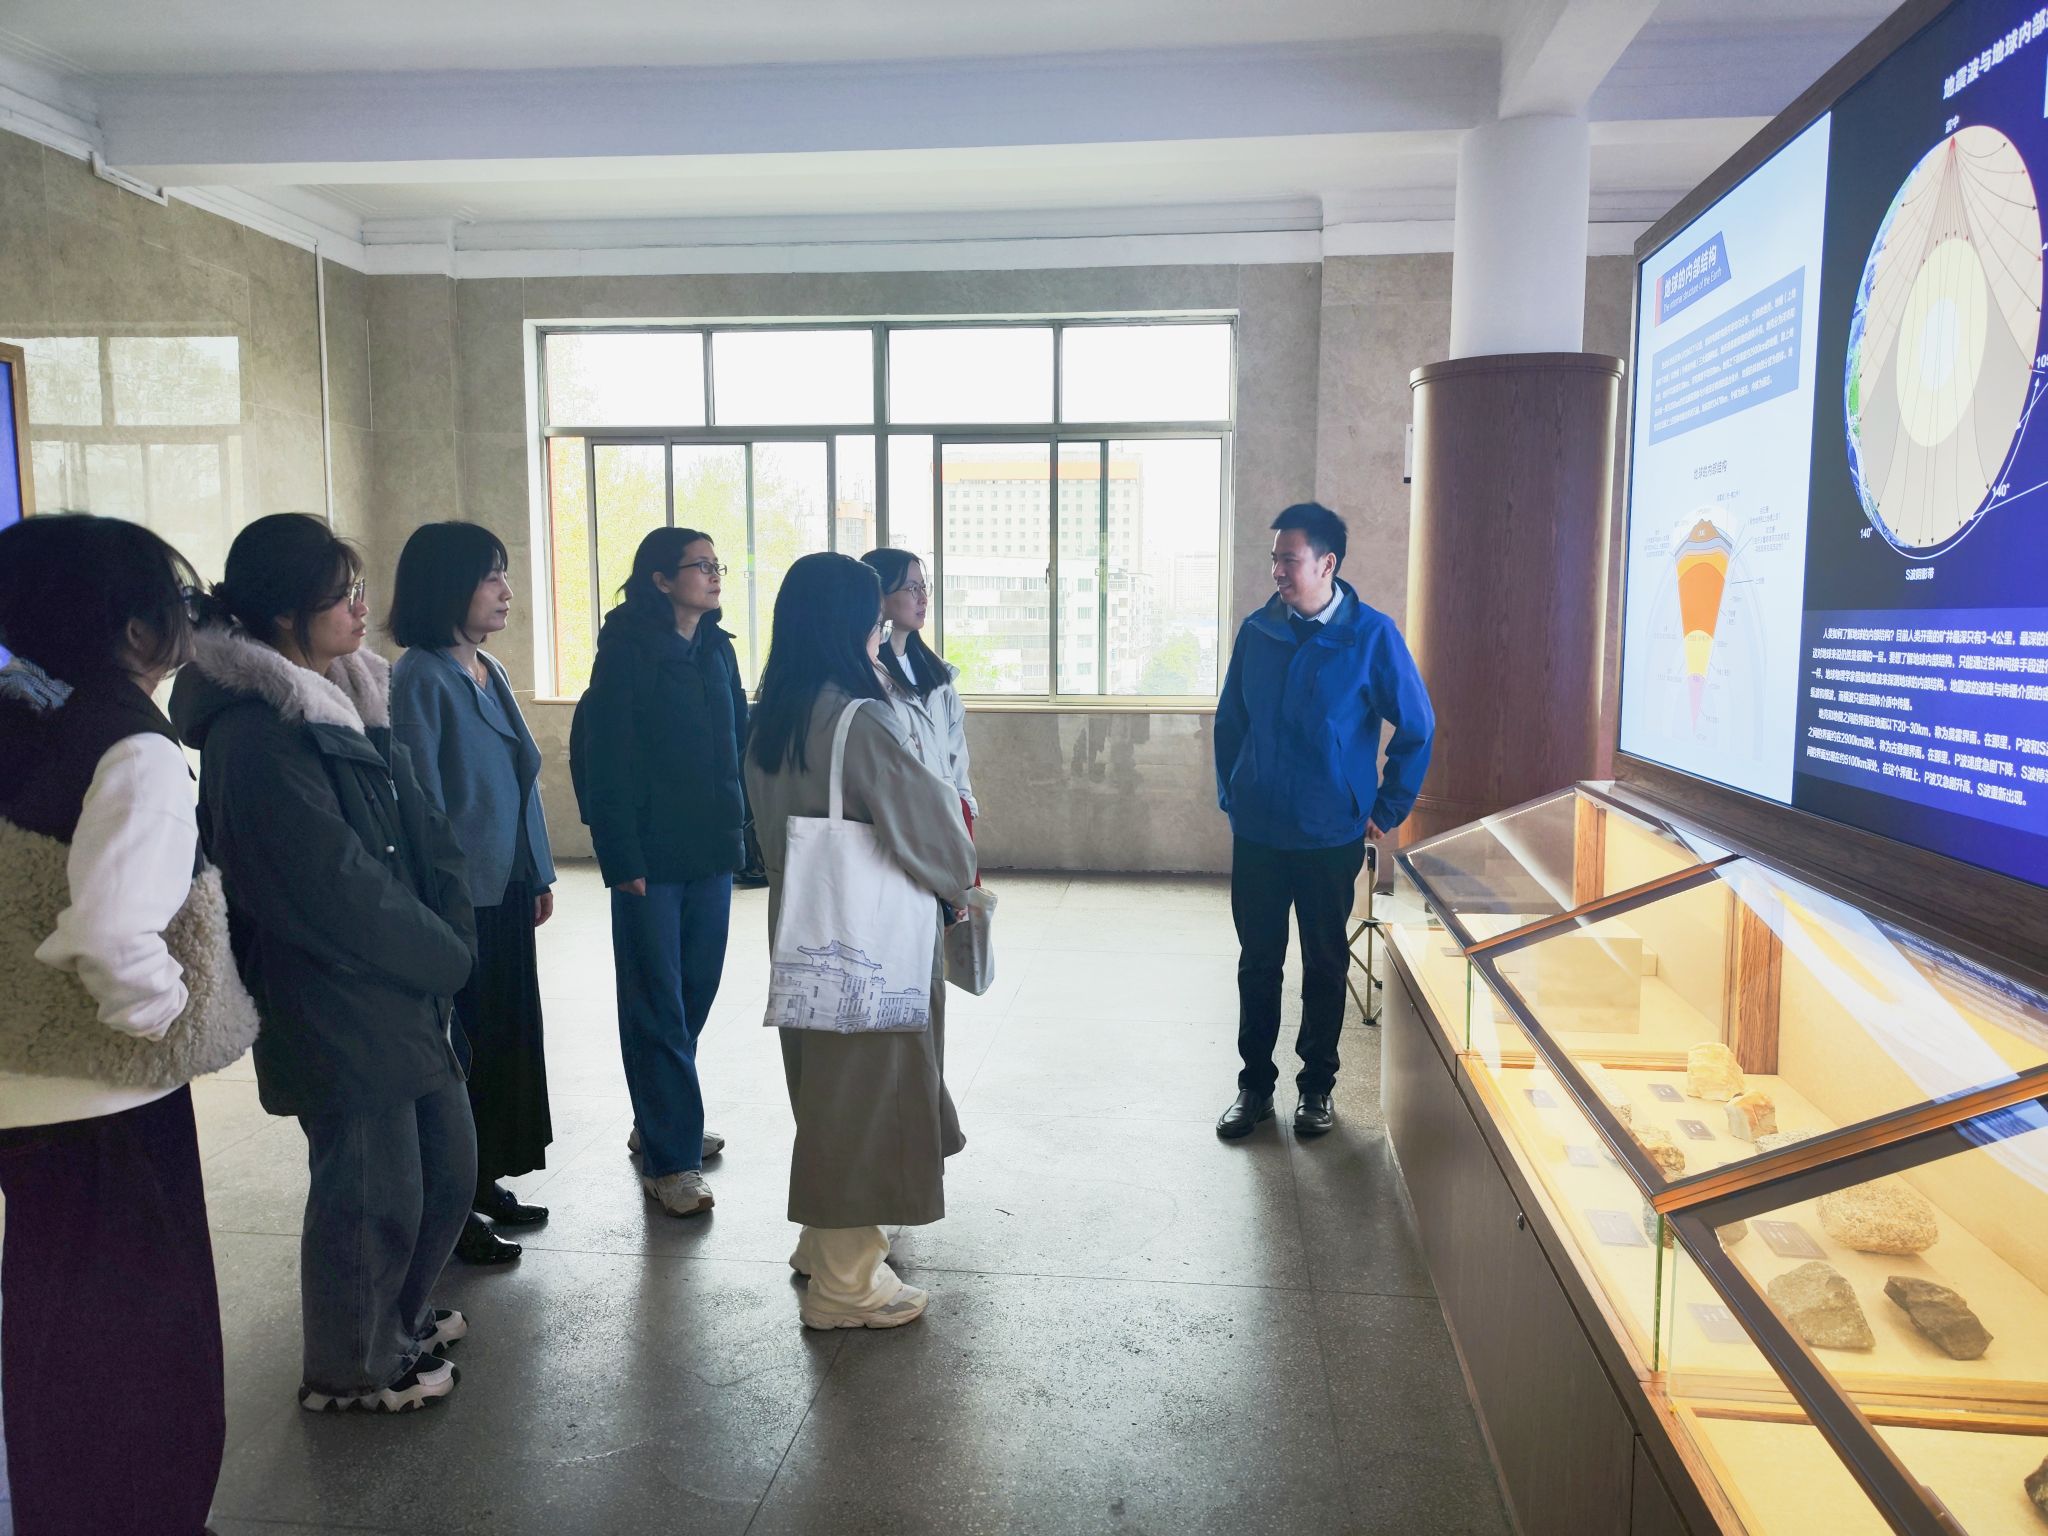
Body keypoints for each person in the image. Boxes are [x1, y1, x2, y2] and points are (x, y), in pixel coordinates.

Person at [170, 512, 479, 1414]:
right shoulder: (255, 732)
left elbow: (420, 829)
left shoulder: (347, 691)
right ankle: (351, 1366)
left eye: (358, 590)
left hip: (397, 978)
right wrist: (440, 951)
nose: (360, 608)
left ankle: (395, 1317)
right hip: (335, 989)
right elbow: (330, 883)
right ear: (282, 613)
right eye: (341, 595)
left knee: (445, 1166)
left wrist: (447, 933)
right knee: (371, 1188)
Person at [0, 514, 257, 1536]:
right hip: (105, 1093)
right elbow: (111, 932)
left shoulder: (20, 714)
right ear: (134, 627)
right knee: (147, 1355)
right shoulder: (133, 746)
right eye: (177, 601)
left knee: (53, 1338)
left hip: (20, 1083)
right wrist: (163, 1014)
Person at [745, 552, 976, 1331]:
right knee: (869, 1097)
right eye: (873, 617)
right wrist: (959, 880)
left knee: (825, 1090)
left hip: (803, 926)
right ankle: (845, 1285)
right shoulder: (860, 719)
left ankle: (824, 1246)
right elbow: (933, 833)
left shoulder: (775, 714)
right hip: (869, 937)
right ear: (850, 624)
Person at [1212, 502, 1434, 1141]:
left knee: (1325, 961)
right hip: (1260, 832)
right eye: (1274, 559)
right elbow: (1231, 722)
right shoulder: (1258, 631)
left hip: (1329, 835)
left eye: (1290, 559)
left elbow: (1417, 727)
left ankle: (1317, 1088)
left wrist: (1386, 808)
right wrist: (1235, 794)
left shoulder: (1371, 636)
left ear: (1326, 563)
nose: (1277, 570)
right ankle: (1255, 1087)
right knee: (1258, 962)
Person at [390, 522, 557, 1267]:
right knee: (461, 1052)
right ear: (446, 586)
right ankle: (451, 1209)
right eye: (491, 576)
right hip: (459, 900)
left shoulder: (486, 667)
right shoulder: (420, 677)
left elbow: (522, 782)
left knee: (502, 1044)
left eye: (504, 574)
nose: (506, 591)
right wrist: (441, 902)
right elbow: (420, 805)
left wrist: (538, 871)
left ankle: (482, 1179)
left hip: (506, 887)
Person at [570, 527, 745, 1218]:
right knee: (657, 1002)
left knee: (694, 991)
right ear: (661, 579)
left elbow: (737, 743)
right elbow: (603, 757)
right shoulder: (626, 651)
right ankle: (670, 1161)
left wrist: (743, 835)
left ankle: (659, 1115)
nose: (714, 573)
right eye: (700, 565)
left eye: (716, 563)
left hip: (711, 851)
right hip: (650, 857)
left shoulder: (718, 649)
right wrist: (620, 855)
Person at [860, 549, 978, 828]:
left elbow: (955, 747)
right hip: (902, 821)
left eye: (924, 587)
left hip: (947, 815)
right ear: (879, 596)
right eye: (912, 588)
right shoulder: (867, 677)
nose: (923, 598)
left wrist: (964, 802)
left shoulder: (938, 673)